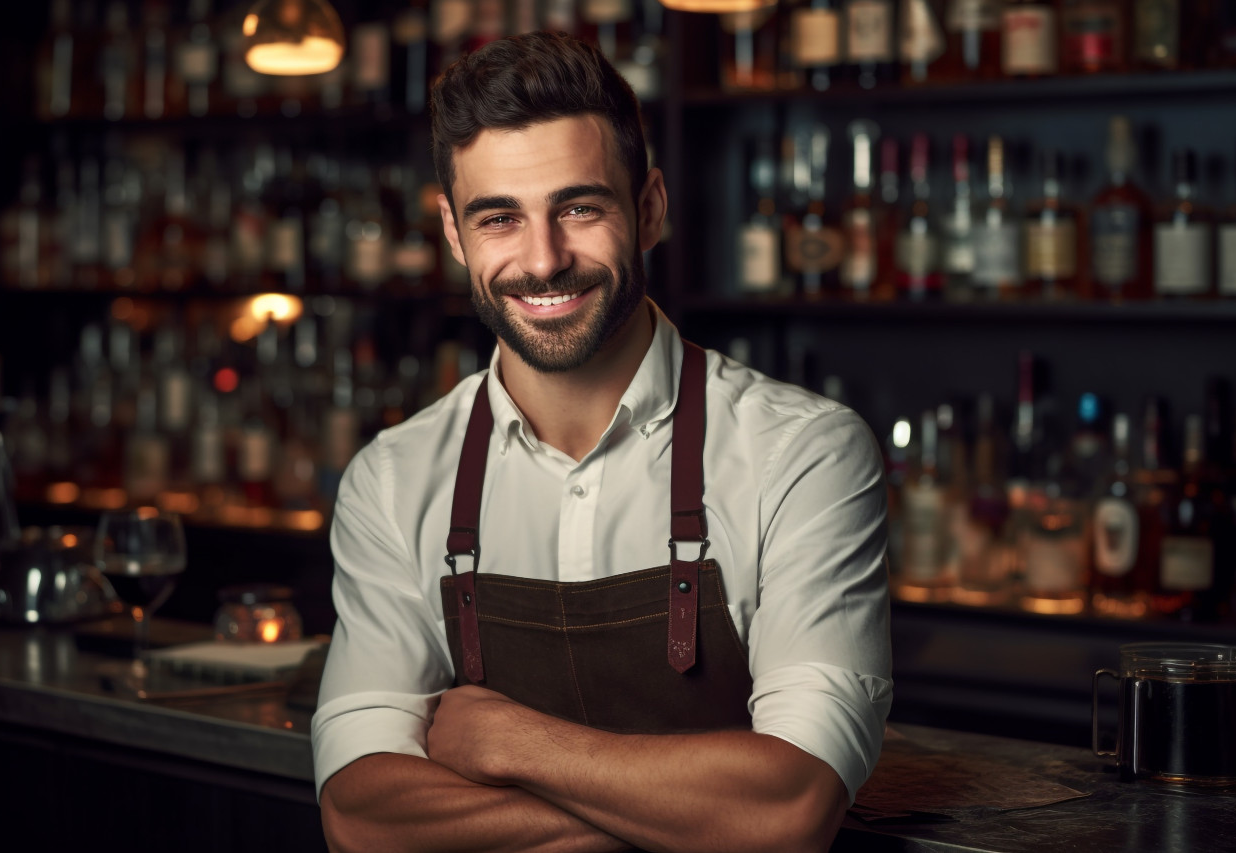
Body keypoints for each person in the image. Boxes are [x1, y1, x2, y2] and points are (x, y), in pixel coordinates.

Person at [313, 31, 892, 853]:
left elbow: (788, 810)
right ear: (453, 233)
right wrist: (691, 814)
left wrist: (508, 742)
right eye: (499, 217)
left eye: (579, 207)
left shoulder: (804, 455)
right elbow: (362, 817)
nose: (543, 259)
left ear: (649, 208)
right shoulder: (393, 478)